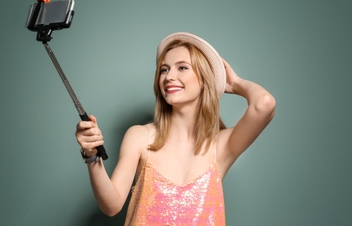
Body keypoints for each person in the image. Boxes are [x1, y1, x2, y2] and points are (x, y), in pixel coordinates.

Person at [75, 32, 276, 225]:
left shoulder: (221, 145)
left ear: (205, 79)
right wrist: (92, 156)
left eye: (182, 68)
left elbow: (264, 104)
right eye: (164, 69)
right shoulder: (139, 137)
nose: (169, 76)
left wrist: (235, 83)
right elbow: (112, 206)